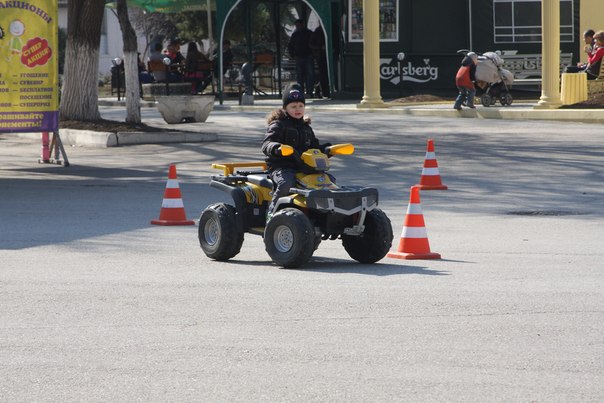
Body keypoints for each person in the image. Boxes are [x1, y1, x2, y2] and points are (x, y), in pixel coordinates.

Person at [261, 83, 331, 221]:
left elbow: (314, 147)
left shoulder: (306, 128)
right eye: (293, 106)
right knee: (286, 183)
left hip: (304, 167)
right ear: (285, 108)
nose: (297, 109)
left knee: (328, 181)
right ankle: (272, 213)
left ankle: (324, 214)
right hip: (282, 167)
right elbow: (267, 144)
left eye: (300, 106)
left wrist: (327, 150)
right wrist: (277, 148)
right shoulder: (278, 125)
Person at [287, 19, 314, 97]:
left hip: (308, 56)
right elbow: (290, 45)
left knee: (309, 75)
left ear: (302, 25)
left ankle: (309, 92)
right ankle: (301, 92)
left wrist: (312, 54)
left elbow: (312, 43)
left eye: (298, 25)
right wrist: (293, 55)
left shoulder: (308, 33)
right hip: (299, 57)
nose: (297, 27)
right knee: (300, 76)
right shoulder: (295, 35)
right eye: (296, 25)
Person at [309, 26, 330, 98]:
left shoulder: (318, 31)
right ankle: (324, 92)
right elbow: (311, 44)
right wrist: (320, 47)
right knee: (323, 75)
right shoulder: (317, 31)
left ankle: (325, 92)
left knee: (324, 75)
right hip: (321, 57)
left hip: (323, 56)